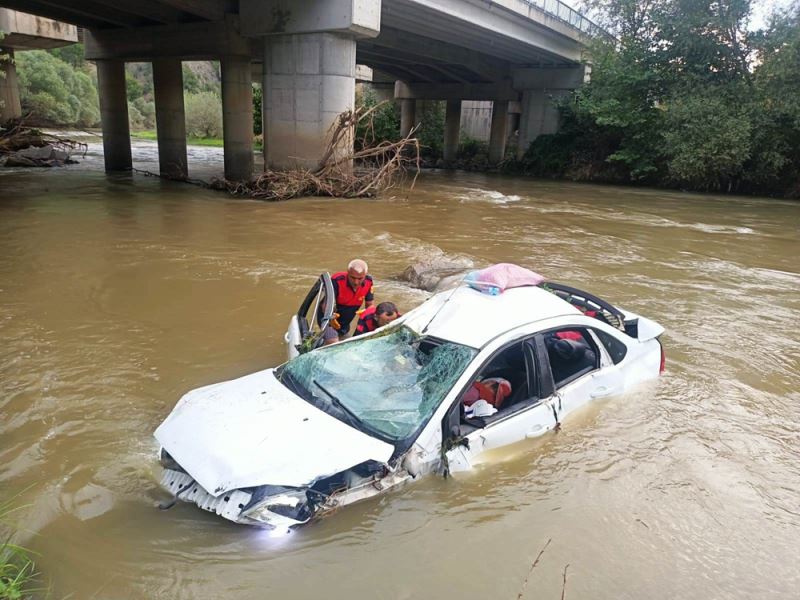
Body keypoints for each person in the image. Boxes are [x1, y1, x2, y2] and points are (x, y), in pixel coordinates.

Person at [331, 259, 374, 337]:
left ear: (365, 275)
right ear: (348, 273)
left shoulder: (369, 281)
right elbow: (326, 304)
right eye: (353, 278)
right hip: (330, 318)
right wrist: (330, 318)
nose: (356, 282)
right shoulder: (337, 280)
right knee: (332, 339)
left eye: (360, 278)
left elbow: (369, 305)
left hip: (346, 322)